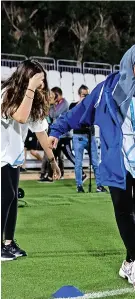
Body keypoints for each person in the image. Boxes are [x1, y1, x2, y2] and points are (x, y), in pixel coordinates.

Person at [48, 43, 135, 288]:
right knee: (123, 208)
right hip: (117, 158)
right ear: (130, 64)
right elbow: (81, 110)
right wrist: (58, 129)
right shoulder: (108, 88)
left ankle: (129, 261)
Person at [1, 59, 61, 261]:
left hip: (12, 157)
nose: (42, 85)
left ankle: (8, 243)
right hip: (0, 156)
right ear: (26, 78)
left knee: (13, 198)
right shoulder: (6, 93)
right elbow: (19, 117)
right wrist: (30, 89)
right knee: (7, 195)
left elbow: (42, 134)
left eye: (42, 80)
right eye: (38, 80)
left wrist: (53, 162)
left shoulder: (33, 99)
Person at [69, 85, 107, 193]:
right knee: (78, 163)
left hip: (91, 136)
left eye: (87, 95)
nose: (86, 97)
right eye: (83, 95)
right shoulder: (73, 105)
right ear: (79, 95)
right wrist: (81, 104)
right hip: (78, 136)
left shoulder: (92, 106)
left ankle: (99, 186)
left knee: (96, 162)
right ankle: (79, 186)